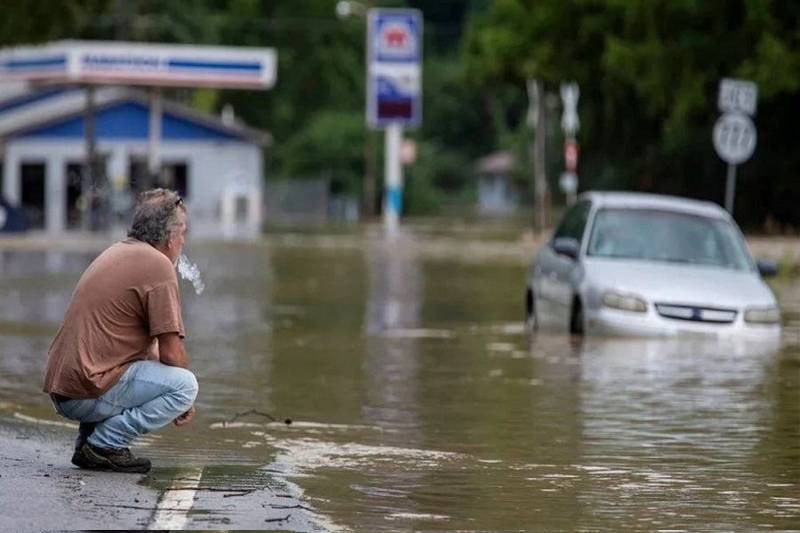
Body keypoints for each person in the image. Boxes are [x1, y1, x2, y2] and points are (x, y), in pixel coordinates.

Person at [43, 188, 198, 473]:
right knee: (185, 386)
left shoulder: (119, 251)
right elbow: (172, 354)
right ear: (169, 236)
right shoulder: (159, 266)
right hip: (84, 392)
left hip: (65, 389)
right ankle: (105, 443)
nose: (183, 241)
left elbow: (150, 349)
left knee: (138, 361)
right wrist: (185, 403)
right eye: (183, 232)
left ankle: (88, 442)